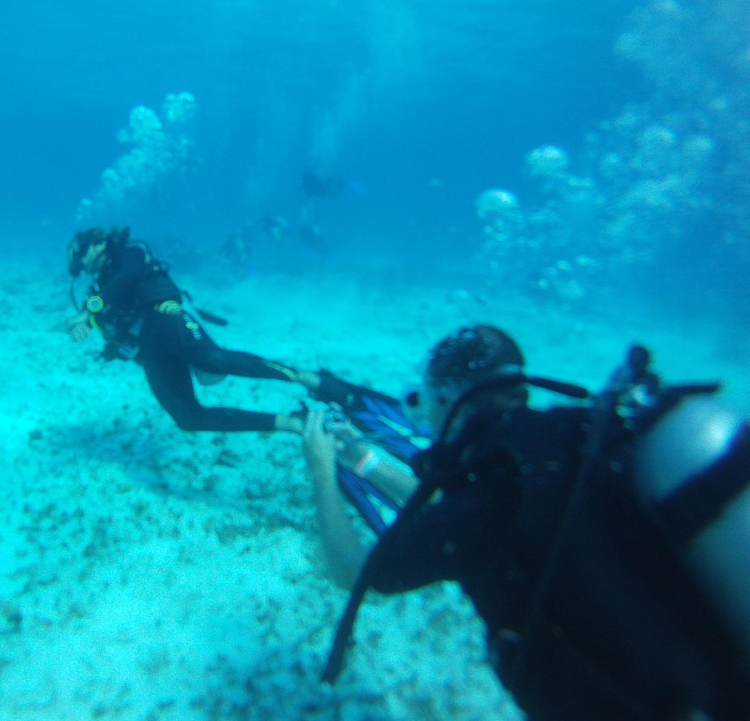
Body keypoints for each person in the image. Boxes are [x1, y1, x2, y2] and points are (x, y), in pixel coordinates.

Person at [305, 325, 750, 721]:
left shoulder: (489, 502)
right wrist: (366, 462)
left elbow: (353, 569)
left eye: (425, 400)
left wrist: (323, 470)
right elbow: (459, 518)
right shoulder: (567, 437)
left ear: (446, 398)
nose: (424, 417)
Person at [65, 226, 322, 433]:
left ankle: (301, 376)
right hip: (149, 350)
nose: (81, 264)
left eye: (80, 253)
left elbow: (129, 276)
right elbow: (111, 331)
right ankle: (290, 423)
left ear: (99, 242)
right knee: (189, 418)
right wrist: (93, 328)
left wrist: (89, 310)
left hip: (164, 316)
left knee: (212, 361)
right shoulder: (98, 291)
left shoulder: (129, 252)